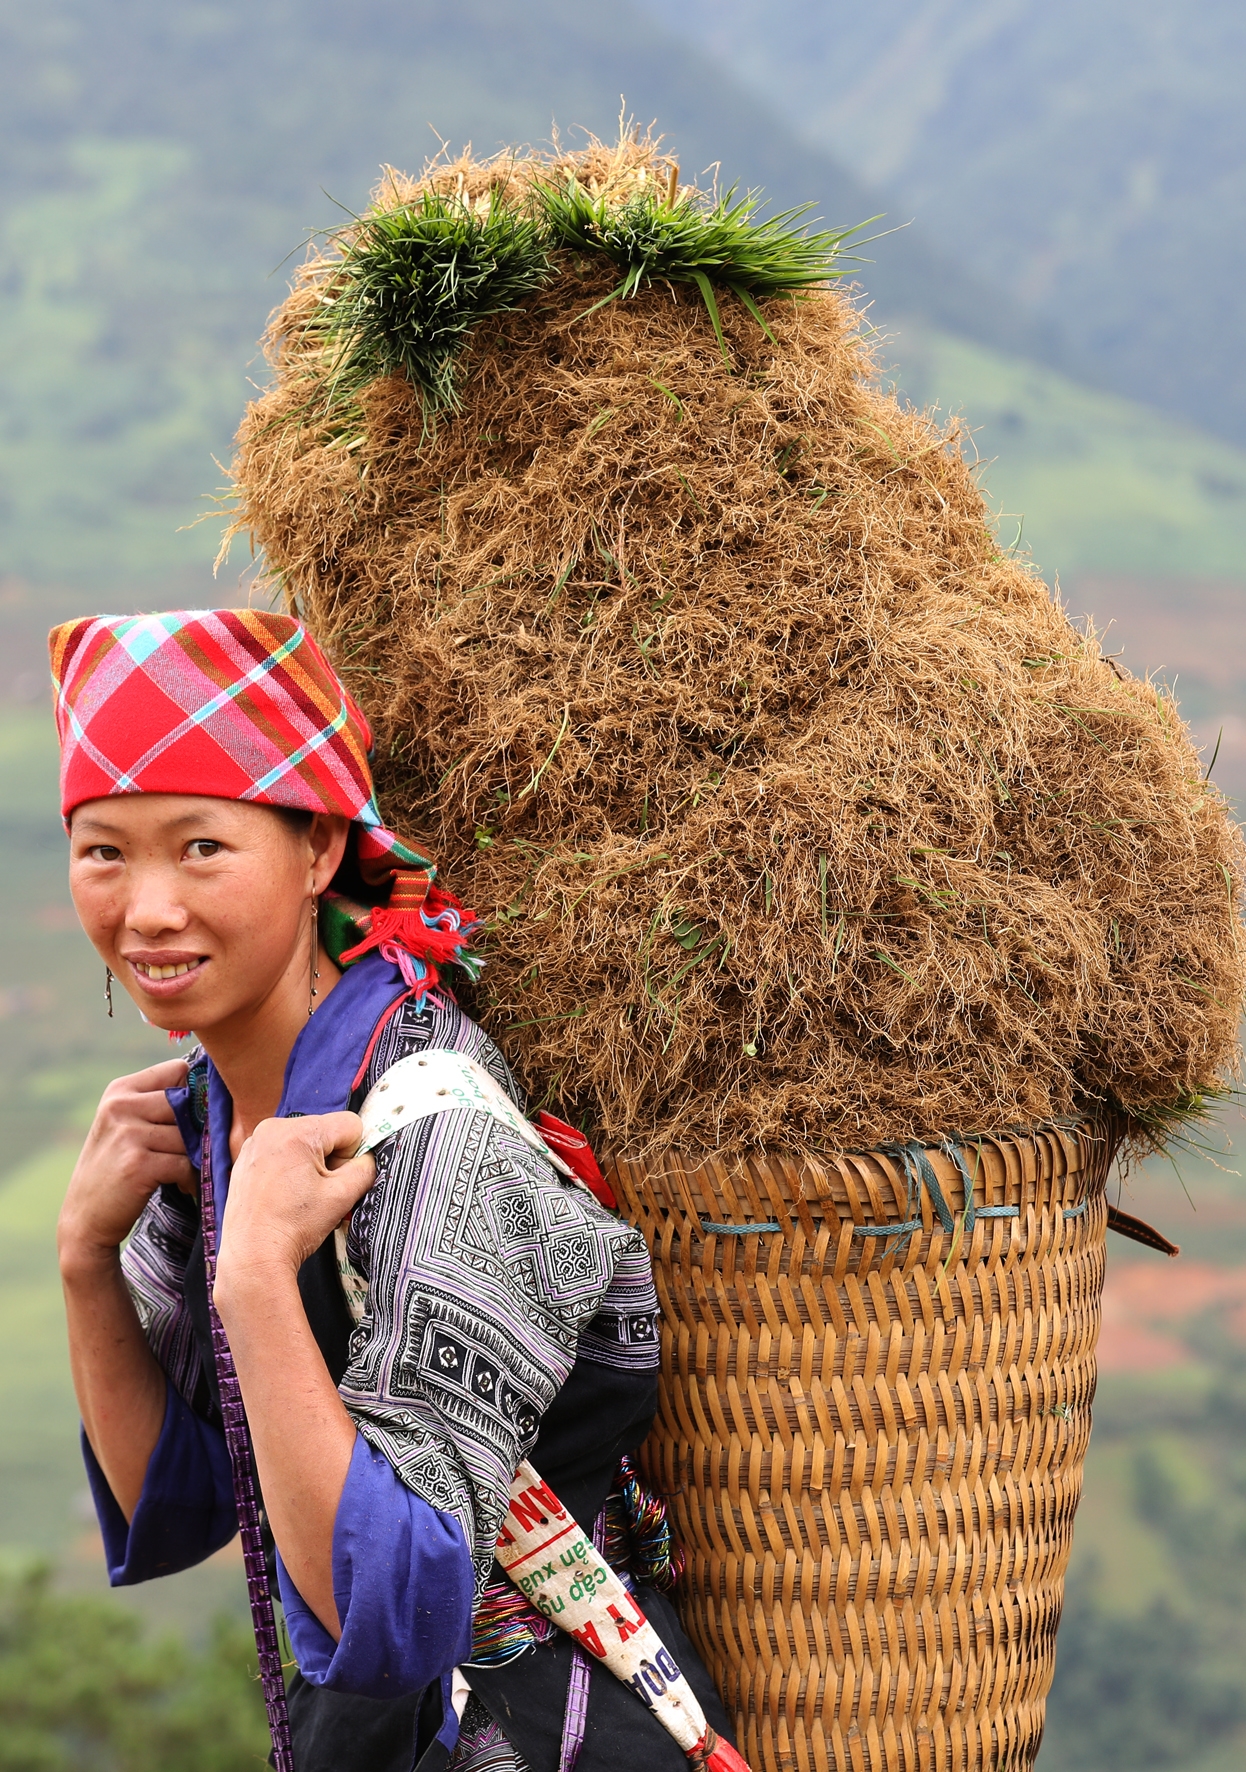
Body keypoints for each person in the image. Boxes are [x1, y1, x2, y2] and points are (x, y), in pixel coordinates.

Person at [51, 608, 732, 1772]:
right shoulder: (212, 1120)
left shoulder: (437, 1121)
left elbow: (396, 1615)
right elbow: (183, 1505)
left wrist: (260, 1283)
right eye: (104, 850)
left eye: (200, 846)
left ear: (318, 850)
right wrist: (83, 1256)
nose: (146, 908)